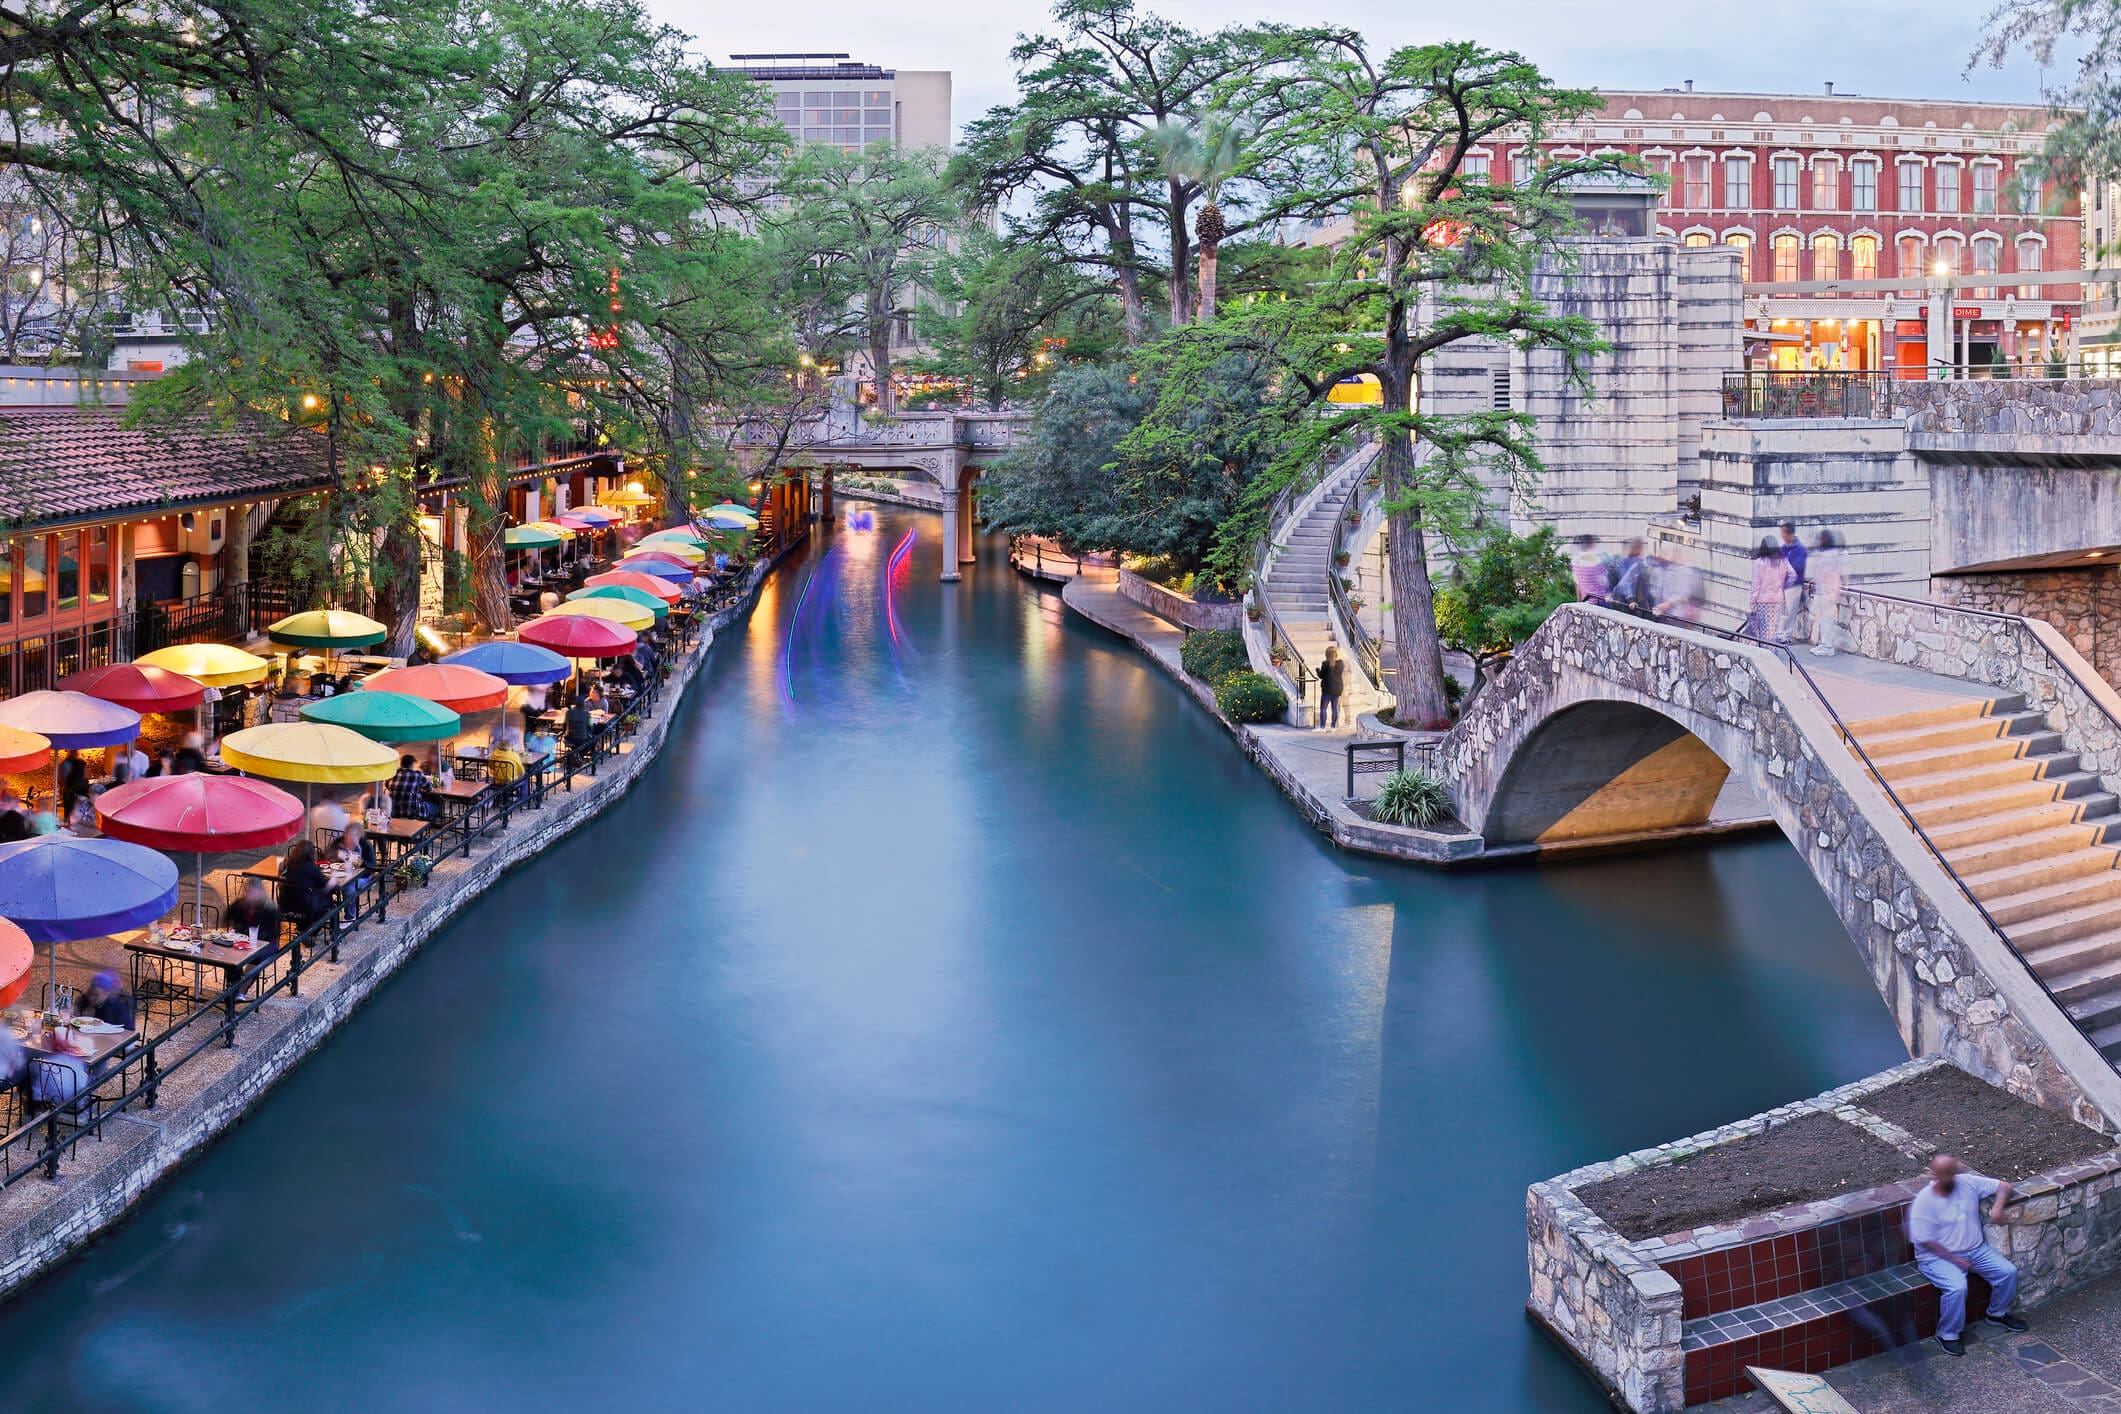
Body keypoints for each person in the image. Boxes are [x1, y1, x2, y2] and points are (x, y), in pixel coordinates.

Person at [1911, 1154, 2027, 1355]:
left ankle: (1997, 1314)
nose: (1949, 1178)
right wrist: (1956, 1260)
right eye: (1944, 1174)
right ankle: (1947, 1334)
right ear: (1935, 1175)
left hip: (1975, 1249)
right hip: (1937, 1258)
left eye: (1951, 1173)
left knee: (2008, 1272)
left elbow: (2005, 1186)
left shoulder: (1968, 1183)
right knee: (1957, 1288)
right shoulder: (1925, 1200)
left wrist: (1997, 1210)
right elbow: (1923, 1240)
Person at [278, 840, 333, 932]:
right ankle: (311, 932)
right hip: (307, 907)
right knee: (330, 902)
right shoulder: (311, 867)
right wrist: (333, 880)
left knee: (309, 895)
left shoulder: (289, 864)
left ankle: (302, 928)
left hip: (287, 906)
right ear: (311, 853)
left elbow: (280, 878)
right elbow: (323, 885)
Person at [330, 822, 378, 920]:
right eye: (347, 834)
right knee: (323, 884)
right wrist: (335, 858)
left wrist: (360, 862)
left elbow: (372, 865)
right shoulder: (339, 842)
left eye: (352, 835)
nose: (348, 838)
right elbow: (329, 855)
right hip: (340, 874)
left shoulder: (365, 845)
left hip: (363, 876)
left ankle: (350, 917)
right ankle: (327, 915)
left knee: (349, 888)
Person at [1744, 539, 1788, 642]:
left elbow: (1756, 584)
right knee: (1773, 629)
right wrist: (1781, 585)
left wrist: (1752, 602)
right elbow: (1792, 575)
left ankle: (1766, 652)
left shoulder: (1760, 562)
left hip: (1763, 600)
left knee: (1764, 630)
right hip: (1777, 599)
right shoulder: (1782, 561)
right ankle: (1773, 651)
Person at [1809, 529, 1844, 656]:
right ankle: (1823, 644)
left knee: (1827, 619)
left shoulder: (1831, 554)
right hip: (1821, 590)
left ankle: (1828, 647)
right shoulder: (1823, 553)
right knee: (1823, 619)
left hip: (1828, 592)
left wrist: (1832, 592)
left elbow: (1833, 574)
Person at [1779, 522, 1810, 642]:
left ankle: (1786, 636)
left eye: (1783, 534)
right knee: (1782, 611)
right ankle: (1780, 634)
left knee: (1790, 611)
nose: (1782, 537)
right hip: (1782, 584)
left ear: (1789, 534)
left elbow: (1798, 567)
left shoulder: (1800, 549)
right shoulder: (1783, 548)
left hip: (1794, 585)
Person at [226, 877, 281, 943]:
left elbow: (272, 934)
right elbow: (227, 917)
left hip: (264, 944)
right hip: (241, 942)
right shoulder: (240, 904)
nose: (249, 895)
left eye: (252, 892)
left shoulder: (270, 909)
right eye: (248, 892)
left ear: (260, 893)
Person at [388, 753, 432, 821]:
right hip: (413, 813)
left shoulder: (393, 774)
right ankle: (428, 825)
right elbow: (429, 788)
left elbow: (387, 785)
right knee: (435, 805)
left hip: (395, 813)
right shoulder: (417, 775)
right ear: (411, 764)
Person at [1569, 534, 1609, 602]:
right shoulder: (1597, 561)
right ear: (1591, 544)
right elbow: (1604, 584)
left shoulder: (1574, 562)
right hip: (1600, 601)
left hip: (1586, 601)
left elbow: (1578, 585)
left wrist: (1579, 603)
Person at [1316, 644, 1347, 730]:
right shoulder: (1340, 664)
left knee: (1323, 708)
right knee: (1334, 708)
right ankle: (1333, 726)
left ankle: (1322, 727)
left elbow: (1321, 676)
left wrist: (1317, 670)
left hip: (1327, 689)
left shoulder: (1325, 664)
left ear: (1327, 655)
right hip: (1337, 689)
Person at [56, 750, 88, 823]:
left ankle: (68, 823)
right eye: (75, 751)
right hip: (71, 791)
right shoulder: (69, 764)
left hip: (70, 791)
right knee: (72, 810)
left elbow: (61, 779)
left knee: (69, 811)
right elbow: (61, 779)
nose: (76, 753)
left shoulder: (69, 763)